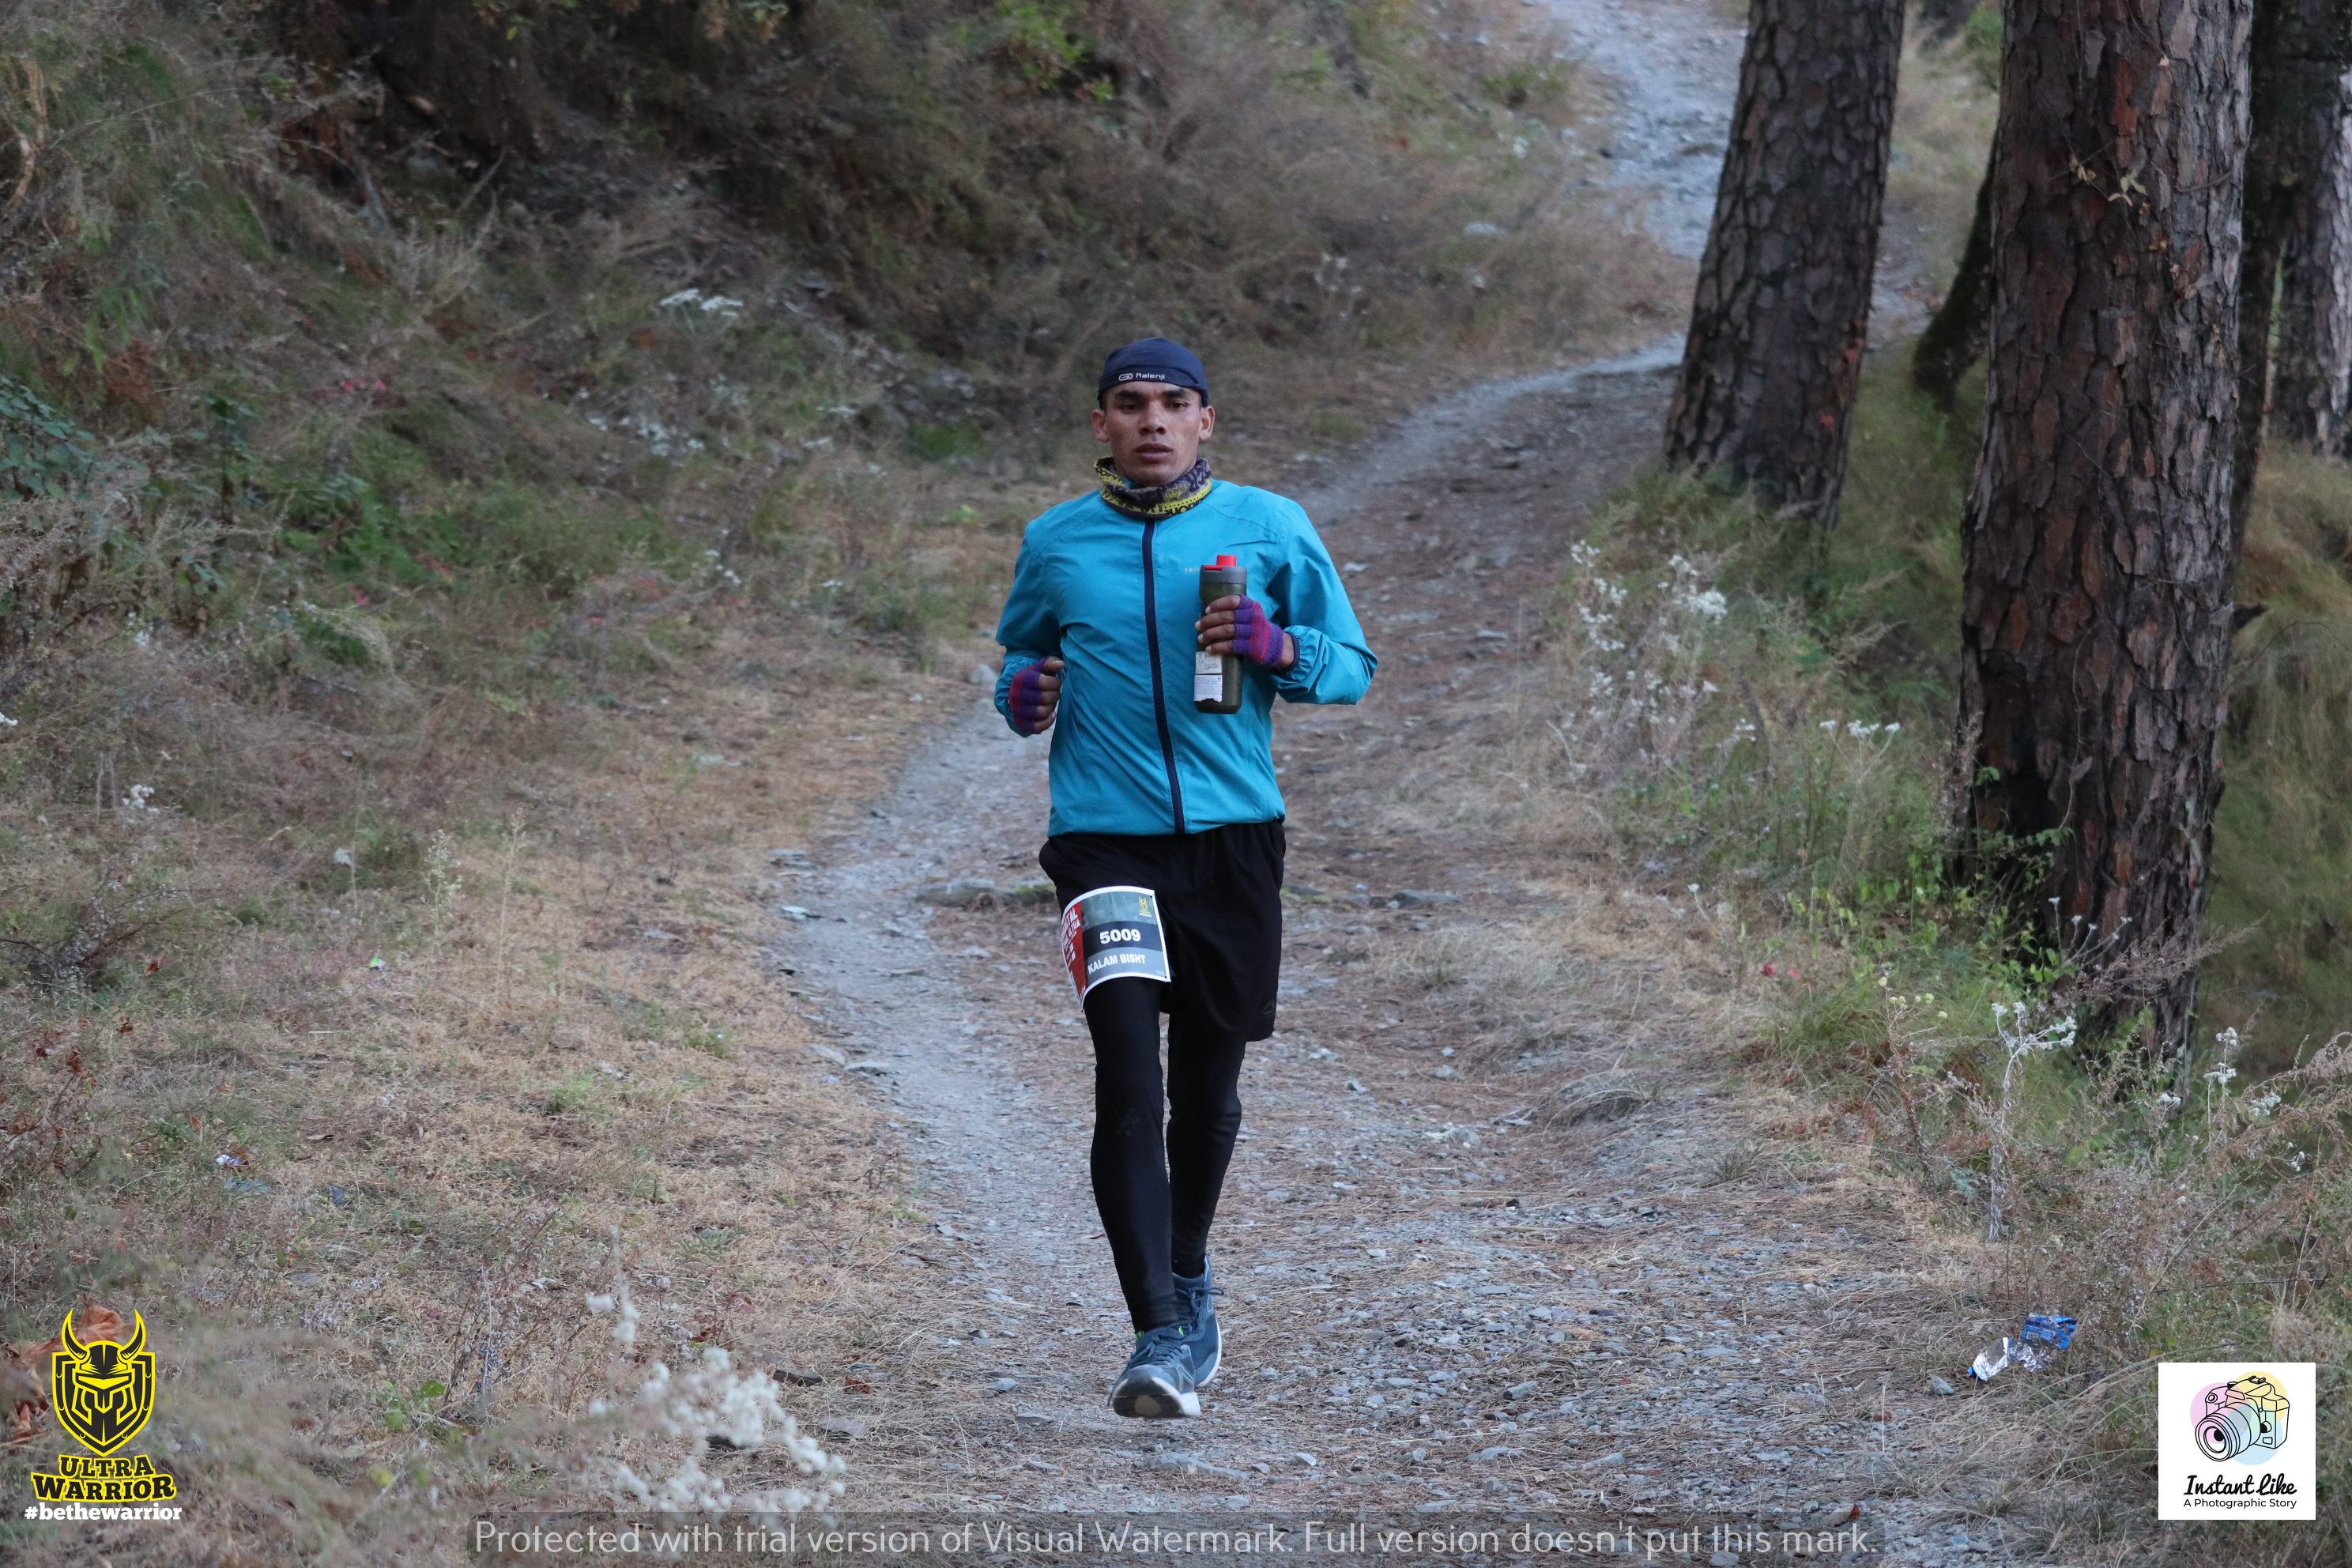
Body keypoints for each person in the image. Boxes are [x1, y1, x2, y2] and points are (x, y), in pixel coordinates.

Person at [992, 337, 1377, 1418]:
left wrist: (1277, 647)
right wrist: (1021, 694)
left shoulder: (1270, 526)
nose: (1152, 421)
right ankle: (1157, 1333)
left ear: (1206, 421)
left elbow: (1351, 669)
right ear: (1100, 425)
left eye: (1173, 403)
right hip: (1103, 845)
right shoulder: (1057, 541)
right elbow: (1021, 654)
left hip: (1233, 843)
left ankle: (1191, 1272)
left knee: (1206, 1092)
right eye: (1130, 404)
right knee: (1128, 1069)